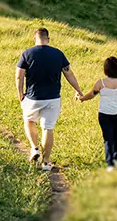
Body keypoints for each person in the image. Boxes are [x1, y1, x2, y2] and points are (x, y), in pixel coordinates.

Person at [15, 26, 84, 172]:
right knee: (48, 128)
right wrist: (78, 90)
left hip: (32, 98)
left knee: (29, 121)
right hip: (53, 99)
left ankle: (34, 148)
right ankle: (46, 162)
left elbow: (19, 76)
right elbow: (69, 74)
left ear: (34, 38)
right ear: (48, 39)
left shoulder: (27, 53)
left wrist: (20, 93)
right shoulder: (58, 53)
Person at [77, 56, 117, 171]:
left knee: (108, 138)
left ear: (106, 69)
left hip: (104, 114)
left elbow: (92, 95)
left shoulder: (101, 83)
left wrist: (82, 98)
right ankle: (115, 159)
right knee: (116, 137)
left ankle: (110, 164)